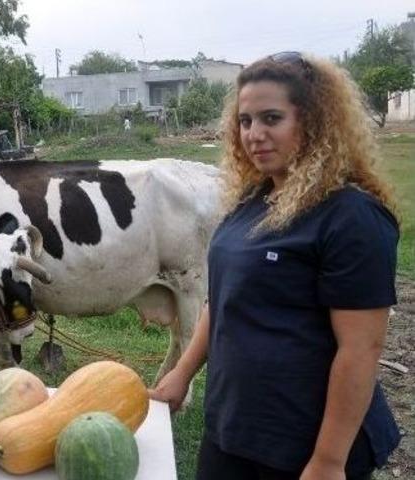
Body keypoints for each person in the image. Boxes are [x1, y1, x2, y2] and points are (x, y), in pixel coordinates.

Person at [150, 52, 401, 480]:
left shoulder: (351, 217)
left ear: (315, 122)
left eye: (271, 118)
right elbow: (222, 301)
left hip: (302, 445)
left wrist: (328, 461)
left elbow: (361, 350)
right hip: (233, 430)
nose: (254, 135)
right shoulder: (249, 205)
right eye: (245, 122)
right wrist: (181, 374)